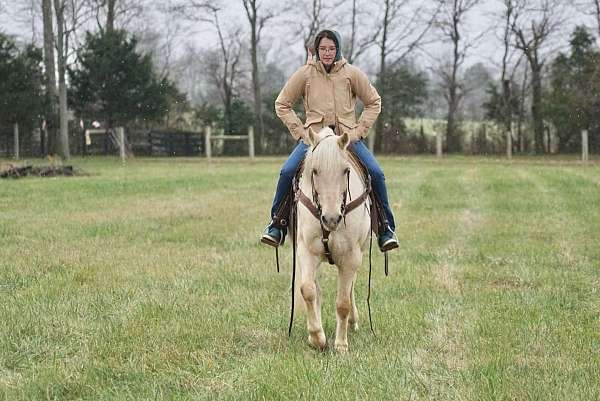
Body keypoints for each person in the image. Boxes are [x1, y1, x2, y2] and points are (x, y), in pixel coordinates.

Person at [261, 29, 399, 252]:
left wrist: (358, 131)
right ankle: (277, 224)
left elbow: (374, 102)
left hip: (346, 140)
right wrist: (301, 132)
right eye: (323, 49)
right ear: (316, 50)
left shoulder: (352, 74)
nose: (327, 53)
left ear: (338, 50)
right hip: (314, 141)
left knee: (376, 173)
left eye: (331, 49)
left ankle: (385, 229)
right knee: (287, 172)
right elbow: (282, 104)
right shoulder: (305, 74)